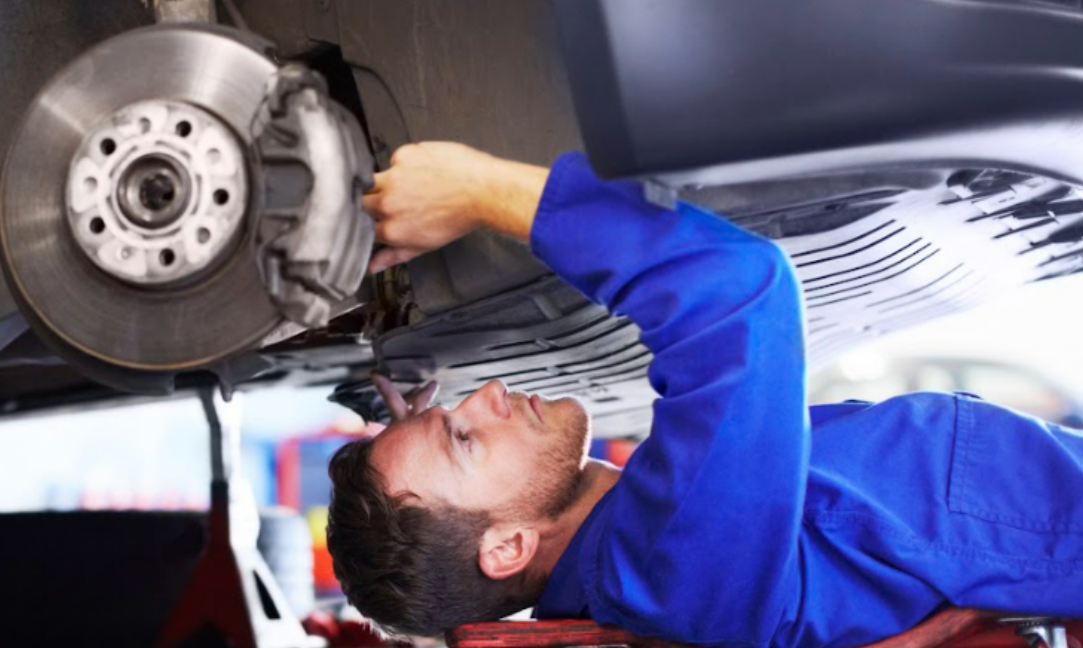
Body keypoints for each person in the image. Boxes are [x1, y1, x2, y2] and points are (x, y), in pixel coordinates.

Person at [327, 142, 1083, 648]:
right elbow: (736, 295)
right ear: (508, 548)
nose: (486, 392)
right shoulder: (669, 572)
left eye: (451, 411)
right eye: (465, 438)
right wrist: (480, 189)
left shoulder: (645, 559)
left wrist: (426, 441)